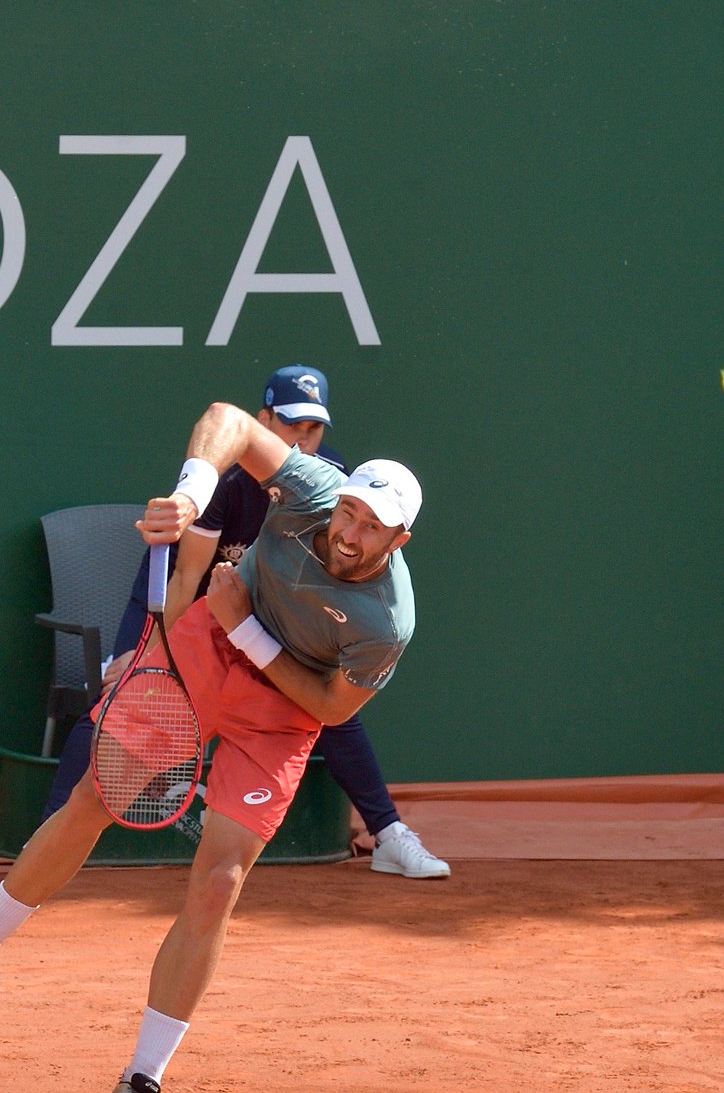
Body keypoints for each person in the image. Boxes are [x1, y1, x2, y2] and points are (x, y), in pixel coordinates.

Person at [0, 395, 424, 1093]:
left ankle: (139, 1084)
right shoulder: (312, 488)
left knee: (219, 884)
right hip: (204, 651)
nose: (350, 531)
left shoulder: (387, 621)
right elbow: (229, 420)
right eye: (349, 512)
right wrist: (191, 492)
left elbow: (331, 708)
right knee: (93, 798)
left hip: (281, 712)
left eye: (372, 527)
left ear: (399, 539)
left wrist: (247, 625)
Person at [41, 366, 448, 878]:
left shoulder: (340, 486)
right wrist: (150, 653)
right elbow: (187, 574)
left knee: (333, 715)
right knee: (124, 691)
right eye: (292, 425)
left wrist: (254, 634)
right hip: (189, 598)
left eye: (313, 428)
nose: (302, 439)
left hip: (259, 616)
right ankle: (50, 829)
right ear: (264, 421)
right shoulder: (232, 481)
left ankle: (387, 832)